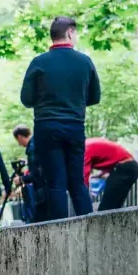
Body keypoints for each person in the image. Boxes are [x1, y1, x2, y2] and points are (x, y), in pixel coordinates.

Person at [20, 17, 101, 220]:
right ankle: (89, 227)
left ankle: (59, 233)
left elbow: (26, 99)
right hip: (74, 126)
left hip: (46, 127)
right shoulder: (85, 62)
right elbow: (94, 97)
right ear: (70, 32)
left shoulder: (38, 62)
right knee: (76, 181)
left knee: (55, 183)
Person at [84, 138, 138, 211]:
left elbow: (83, 178)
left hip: (125, 168)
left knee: (107, 208)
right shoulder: (87, 144)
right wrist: (100, 174)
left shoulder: (84, 150)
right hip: (126, 166)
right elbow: (108, 156)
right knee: (113, 205)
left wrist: (84, 196)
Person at [12, 124, 46, 223]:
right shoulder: (38, 142)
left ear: (20, 137)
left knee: (39, 220)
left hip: (41, 191)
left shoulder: (32, 148)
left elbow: (36, 174)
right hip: (47, 187)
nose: (19, 144)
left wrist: (21, 179)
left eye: (17, 140)